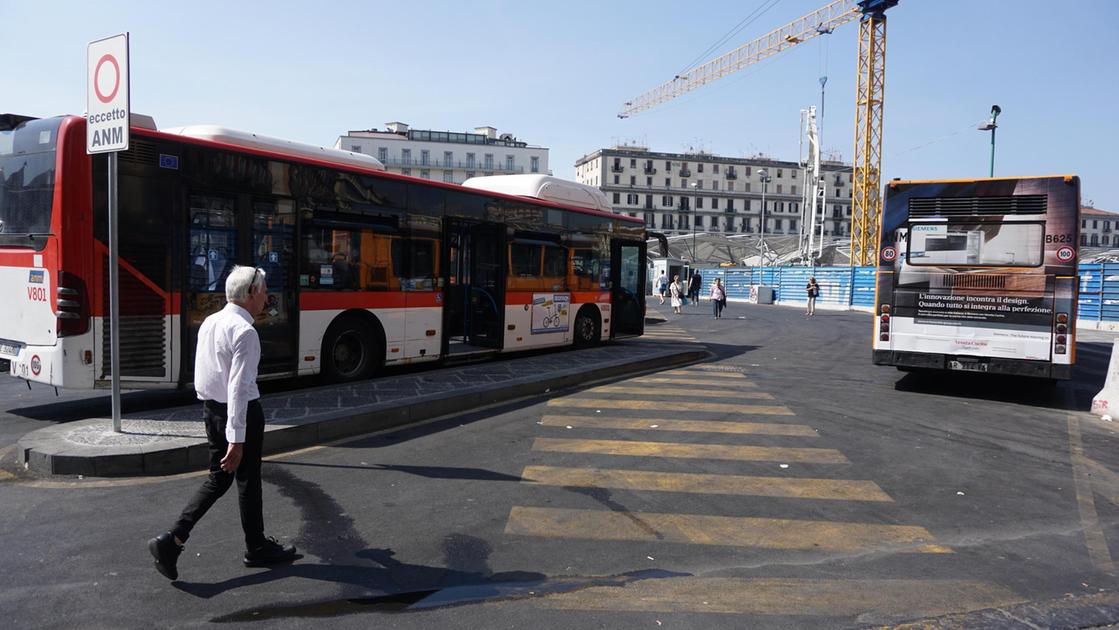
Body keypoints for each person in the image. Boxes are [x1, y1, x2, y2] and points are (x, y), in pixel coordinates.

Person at [148, 266, 297, 581]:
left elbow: (204, 376)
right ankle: (254, 547)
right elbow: (239, 388)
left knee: (220, 479)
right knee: (247, 481)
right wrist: (237, 438)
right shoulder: (245, 332)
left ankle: (173, 540)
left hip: (212, 410)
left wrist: (222, 423)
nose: (268, 296)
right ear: (250, 293)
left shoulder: (210, 322)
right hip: (240, 415)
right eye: (264, 290)